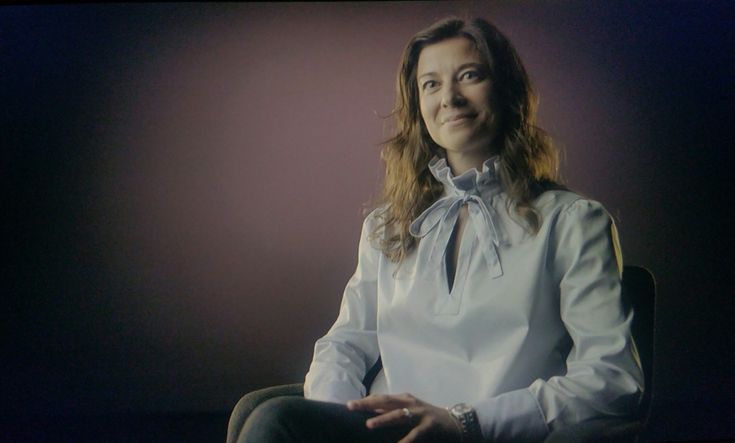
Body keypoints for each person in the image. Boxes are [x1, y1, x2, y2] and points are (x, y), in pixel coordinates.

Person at [229, 16, 643, 443]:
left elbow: (611, 379)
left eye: (469, 76)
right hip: (384, 430)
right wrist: (344, 418)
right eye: (430, 84)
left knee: (275, 421)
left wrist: (466, 422)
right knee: (263, 413)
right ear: (417, 105)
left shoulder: (574, 222)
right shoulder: (386, 226)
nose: (450, 97)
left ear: (507, 91)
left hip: (485, 432)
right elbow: (346, 343)